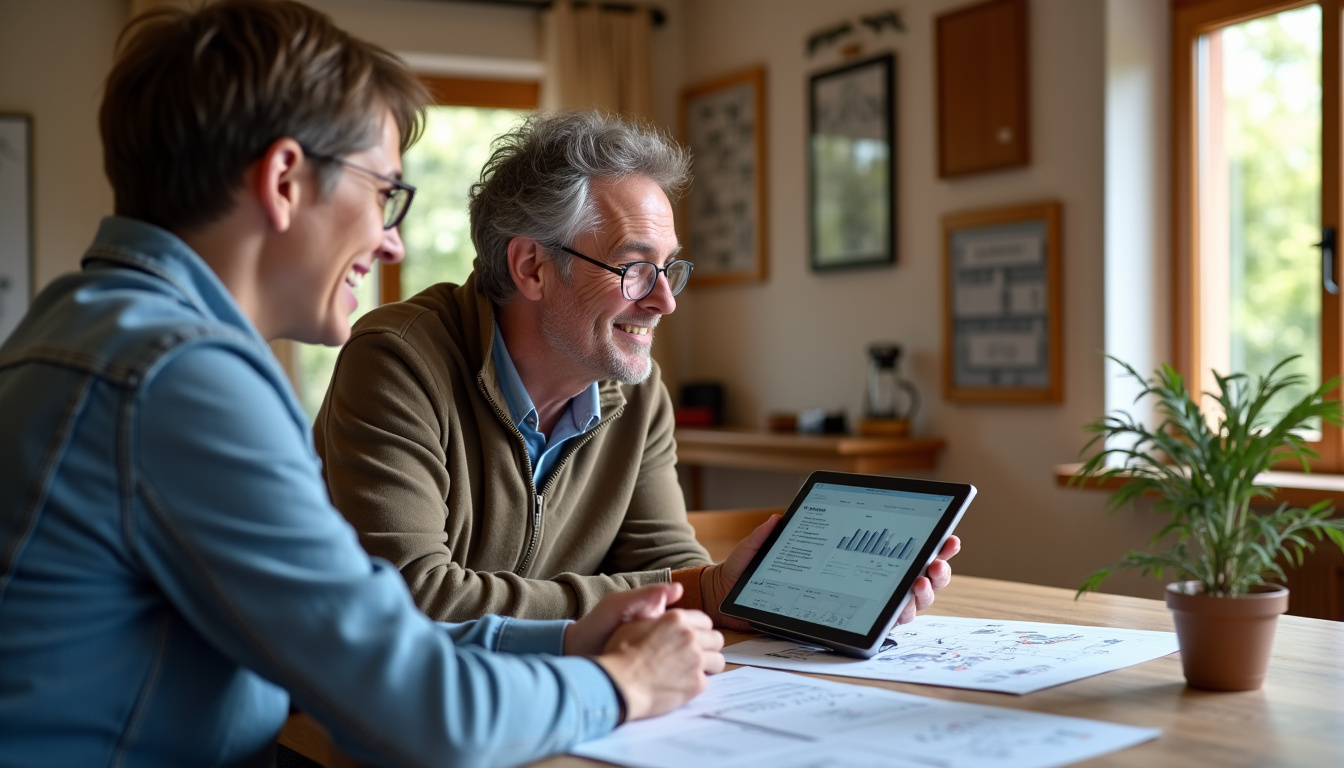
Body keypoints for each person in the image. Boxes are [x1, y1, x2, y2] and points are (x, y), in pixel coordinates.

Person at [0, 3, 724, 767]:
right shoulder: (183, 379)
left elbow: (367, 637)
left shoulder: (85, 329)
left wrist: (571, 636)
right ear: (284, 180)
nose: (391, 241)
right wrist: (617, 684)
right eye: (383, 191)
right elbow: (421, 711)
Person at [314, 111, 961, 627]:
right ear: (531, 267)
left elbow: (671, 568)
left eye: (670, 266)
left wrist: (809, 602)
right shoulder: (399, 360)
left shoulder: (636, 390)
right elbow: (413, 599)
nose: (665, 299)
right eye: (634, 267)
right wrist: (689, 591)